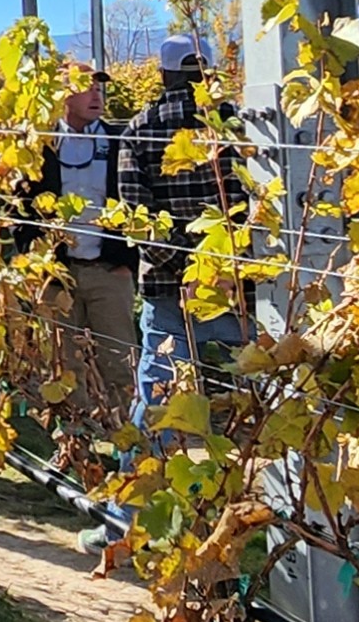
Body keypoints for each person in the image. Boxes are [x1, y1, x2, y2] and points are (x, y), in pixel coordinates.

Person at [116, 33, 243, 436]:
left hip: (169, 287)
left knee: (159, 395)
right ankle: (276, 487)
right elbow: (253, 207)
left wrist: (189, 271)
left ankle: (141, 491)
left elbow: (140, 221)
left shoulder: (138, 131)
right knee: (266, 388)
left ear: (162, 74)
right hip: (239, 288)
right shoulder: (237, 125)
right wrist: (219, 270)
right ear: (207, 70)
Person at [31, 65, 134, 416]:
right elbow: (21, 205)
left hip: (108, 271)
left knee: (120, 361)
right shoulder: (41, 144)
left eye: (99, 89)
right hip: (57, 274)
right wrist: (36, 260)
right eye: (86, 89)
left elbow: (135, 199)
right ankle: (75, 442)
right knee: (62, 362)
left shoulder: (120, 140)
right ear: (63, 95)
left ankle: (127, 441)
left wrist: (125, 262)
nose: (96, 95)